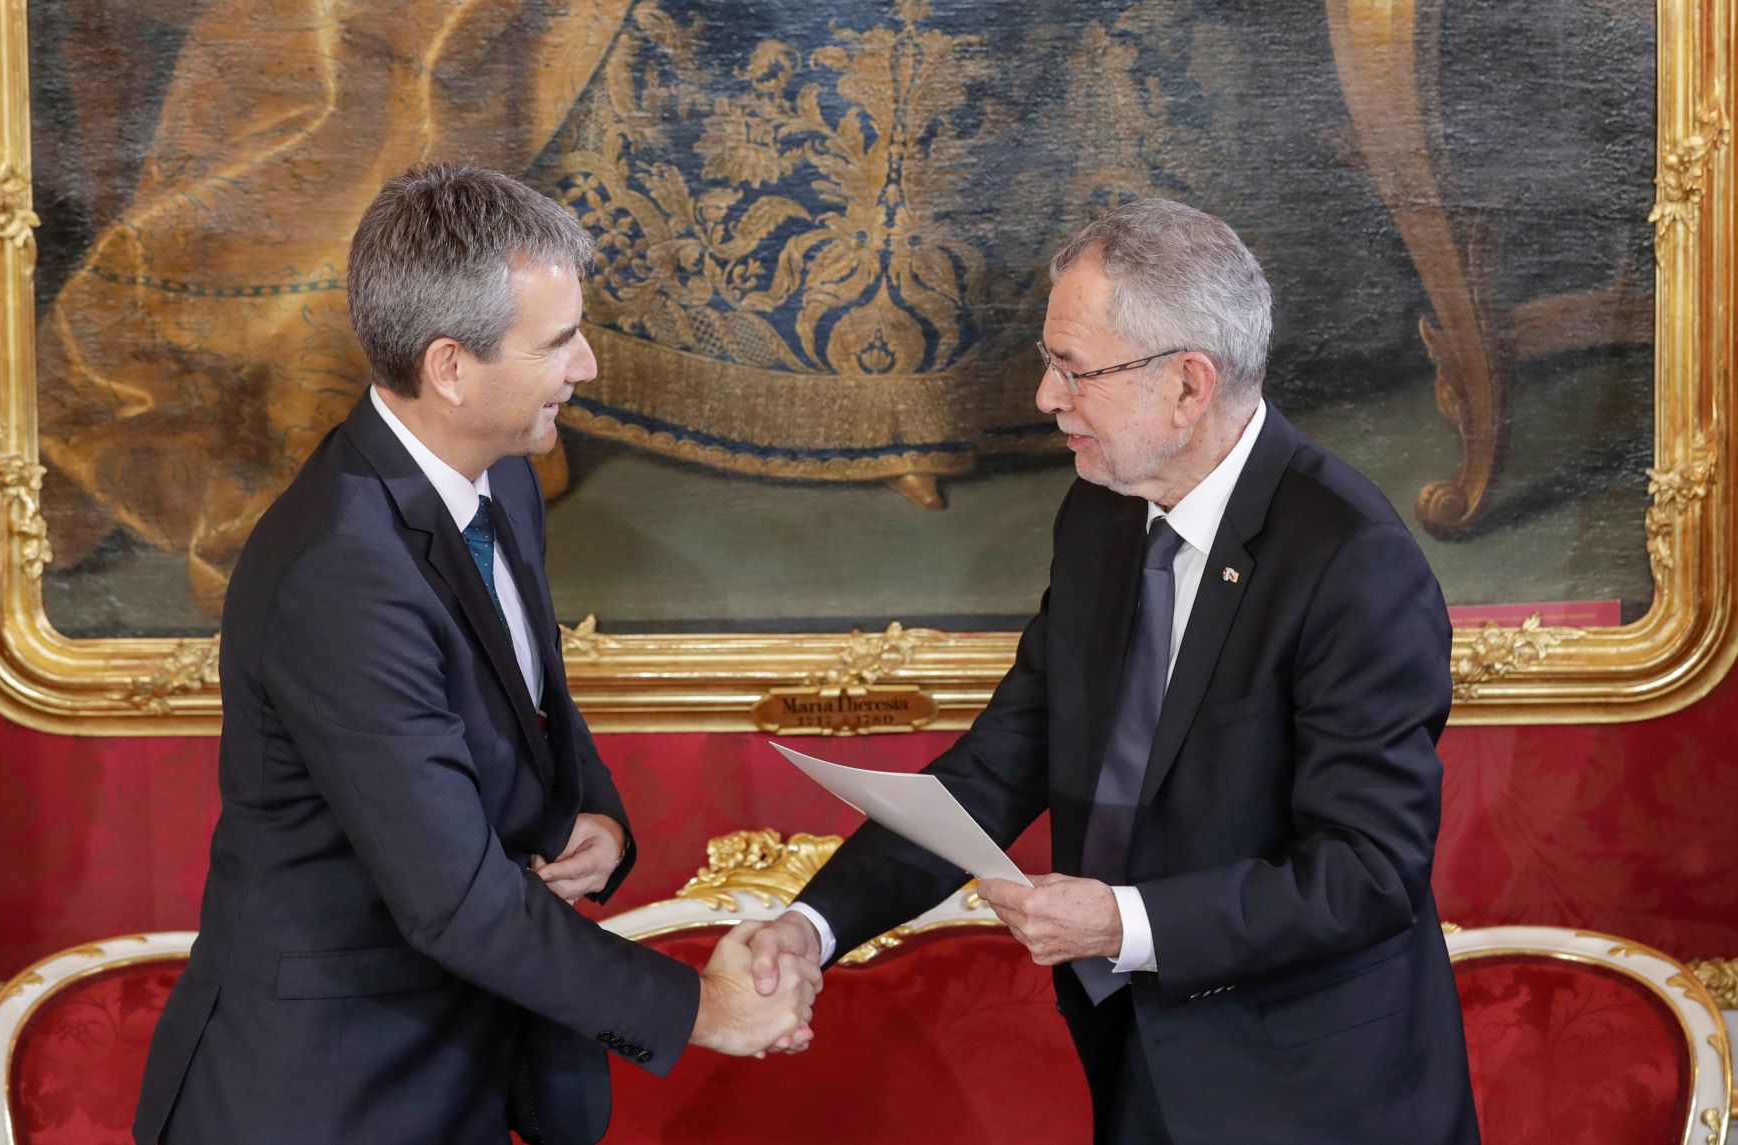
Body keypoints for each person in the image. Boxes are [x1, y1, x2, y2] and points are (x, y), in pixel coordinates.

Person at [743, 199, 1479, 1144]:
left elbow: (1367, 873)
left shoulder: (1351, 562)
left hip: (1314, 1093)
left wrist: (1121, 923)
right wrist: (815, 925)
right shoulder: (1099, 514)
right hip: (1142, 1064)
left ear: (1187, 384)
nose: (1047, 396)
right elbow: (997, 767)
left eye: (1073, 369)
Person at [133, 163, 820, 1145]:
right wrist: (702, 1009)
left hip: (470, 1063)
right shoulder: (339, 572)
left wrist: (595, 815)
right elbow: (452, 900)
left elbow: (527, 699)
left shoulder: (502, 480)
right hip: (328, 1092)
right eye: (557, 342)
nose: (585, 364)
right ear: (451, 366)